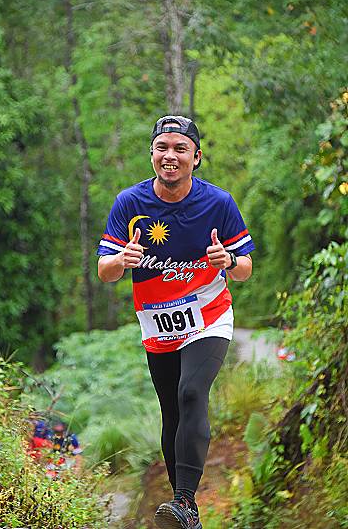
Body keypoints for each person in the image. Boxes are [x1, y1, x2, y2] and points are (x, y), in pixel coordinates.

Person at [97, 115, 254, 529]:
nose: (170, 156)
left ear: (196, 158)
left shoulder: (218, 203)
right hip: (158, 325)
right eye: (162, 148)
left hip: (208, 317)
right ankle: (188, 514)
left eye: (180, 149)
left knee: (191, 393)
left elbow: (245, 268)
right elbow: (104, 271)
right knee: (172, 411)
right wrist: (121, 259)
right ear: (151, 154)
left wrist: (229, 260)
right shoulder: (129, 203)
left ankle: (184, 500)